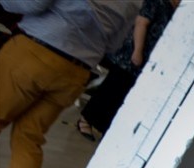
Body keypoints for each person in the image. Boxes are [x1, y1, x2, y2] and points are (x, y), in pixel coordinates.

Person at [0, 0, 140, 168]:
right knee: (29, 139)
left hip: (35, 51)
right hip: (75, 73)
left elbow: (34, 4)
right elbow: (114, 44)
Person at [76, 0, 178, 139]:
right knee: (113, 88)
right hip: (132, 54)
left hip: (147, 59)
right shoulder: (157, 2)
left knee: (123, 94)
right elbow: (141, 23)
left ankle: (104, 126)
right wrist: (137, 51)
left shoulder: (174, 9)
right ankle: (86, 120)